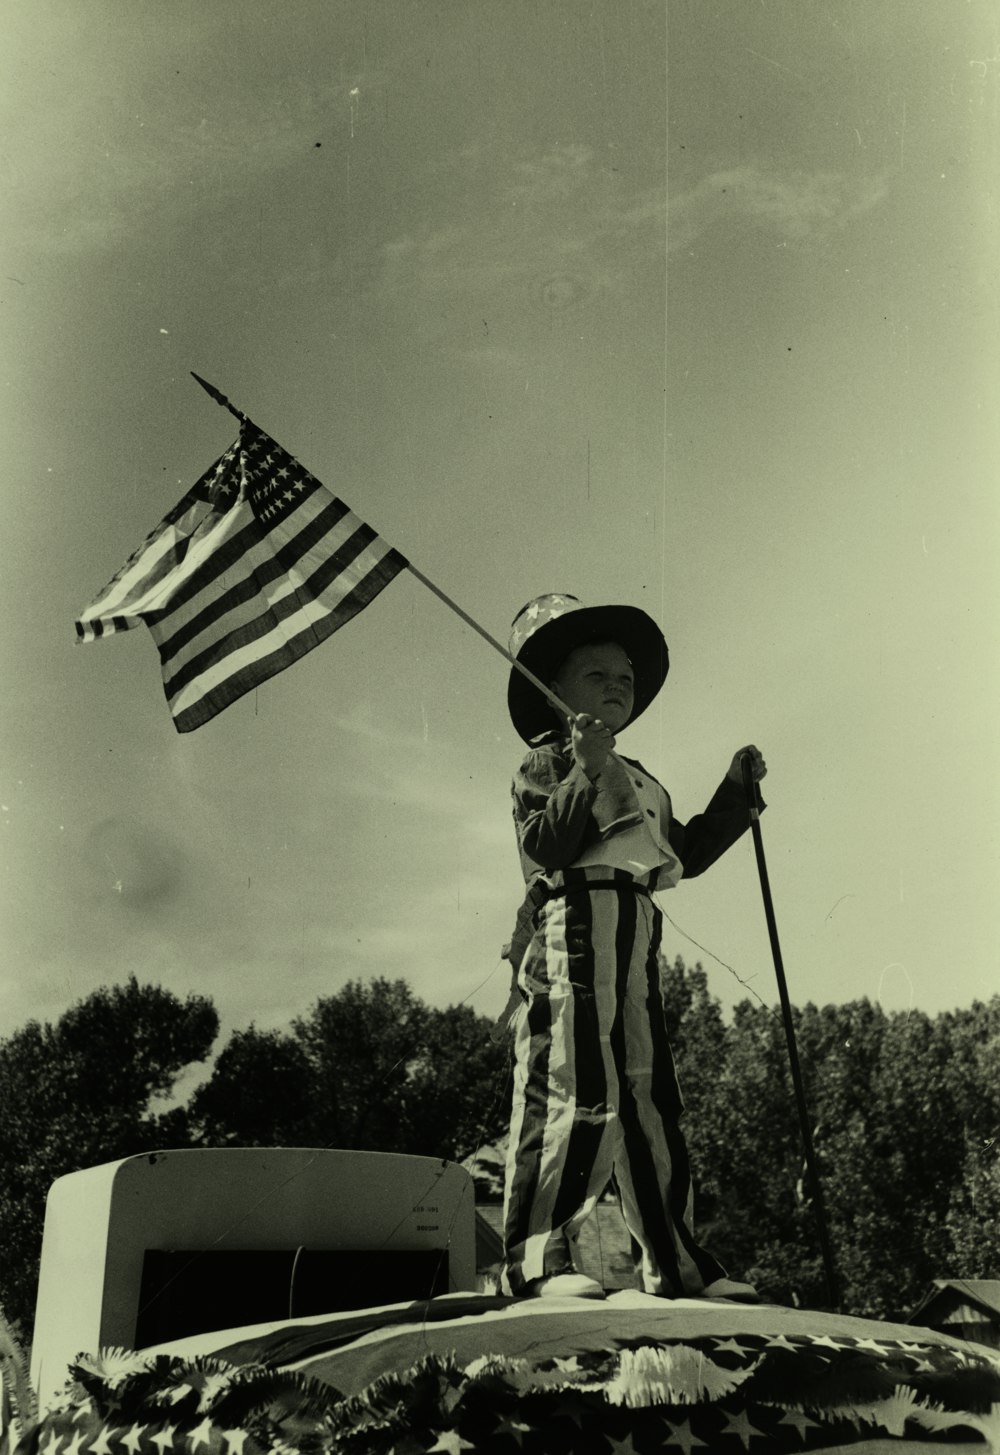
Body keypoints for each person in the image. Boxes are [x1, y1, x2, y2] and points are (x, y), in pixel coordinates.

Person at [498, 593, 766, 1302]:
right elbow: (547, 846)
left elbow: (685, 853)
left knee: (648, 1096)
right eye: (597, 674)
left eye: (627, 676)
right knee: (575, 1086)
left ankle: (676, 1266)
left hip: (638, 930)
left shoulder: (642, 777)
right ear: (554, 692)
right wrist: (585, 768)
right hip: (572, 929)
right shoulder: (546, 763)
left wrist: (736, 794)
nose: (619, 684)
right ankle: (537, 1261)